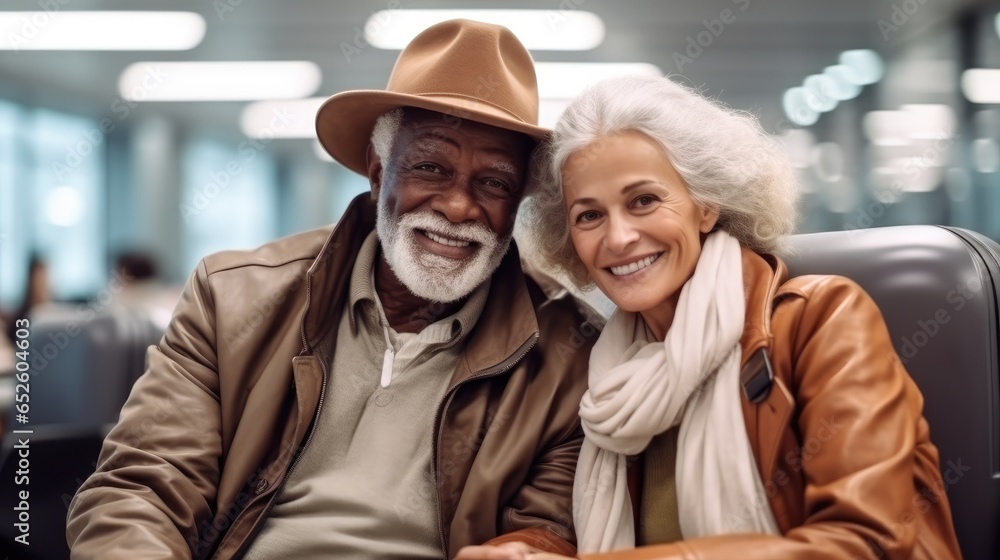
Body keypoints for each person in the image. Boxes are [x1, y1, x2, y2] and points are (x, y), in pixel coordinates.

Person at [66, 20, 597, 559]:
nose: (459, 207)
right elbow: (143, 487)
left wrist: (531, 548)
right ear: (377, 169)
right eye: (431, 167)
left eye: (494, 182)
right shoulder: (232, 298)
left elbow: (543, 527)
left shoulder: (569, 351)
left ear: (519, 201)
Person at [518, 74, 962, 559]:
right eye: (589, 215)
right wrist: (517, 550)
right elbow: (564, 534)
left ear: (705, 205)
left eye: (643, 200)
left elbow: (866, 541)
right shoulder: (606, 377)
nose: (619, 237)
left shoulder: (824, 321)